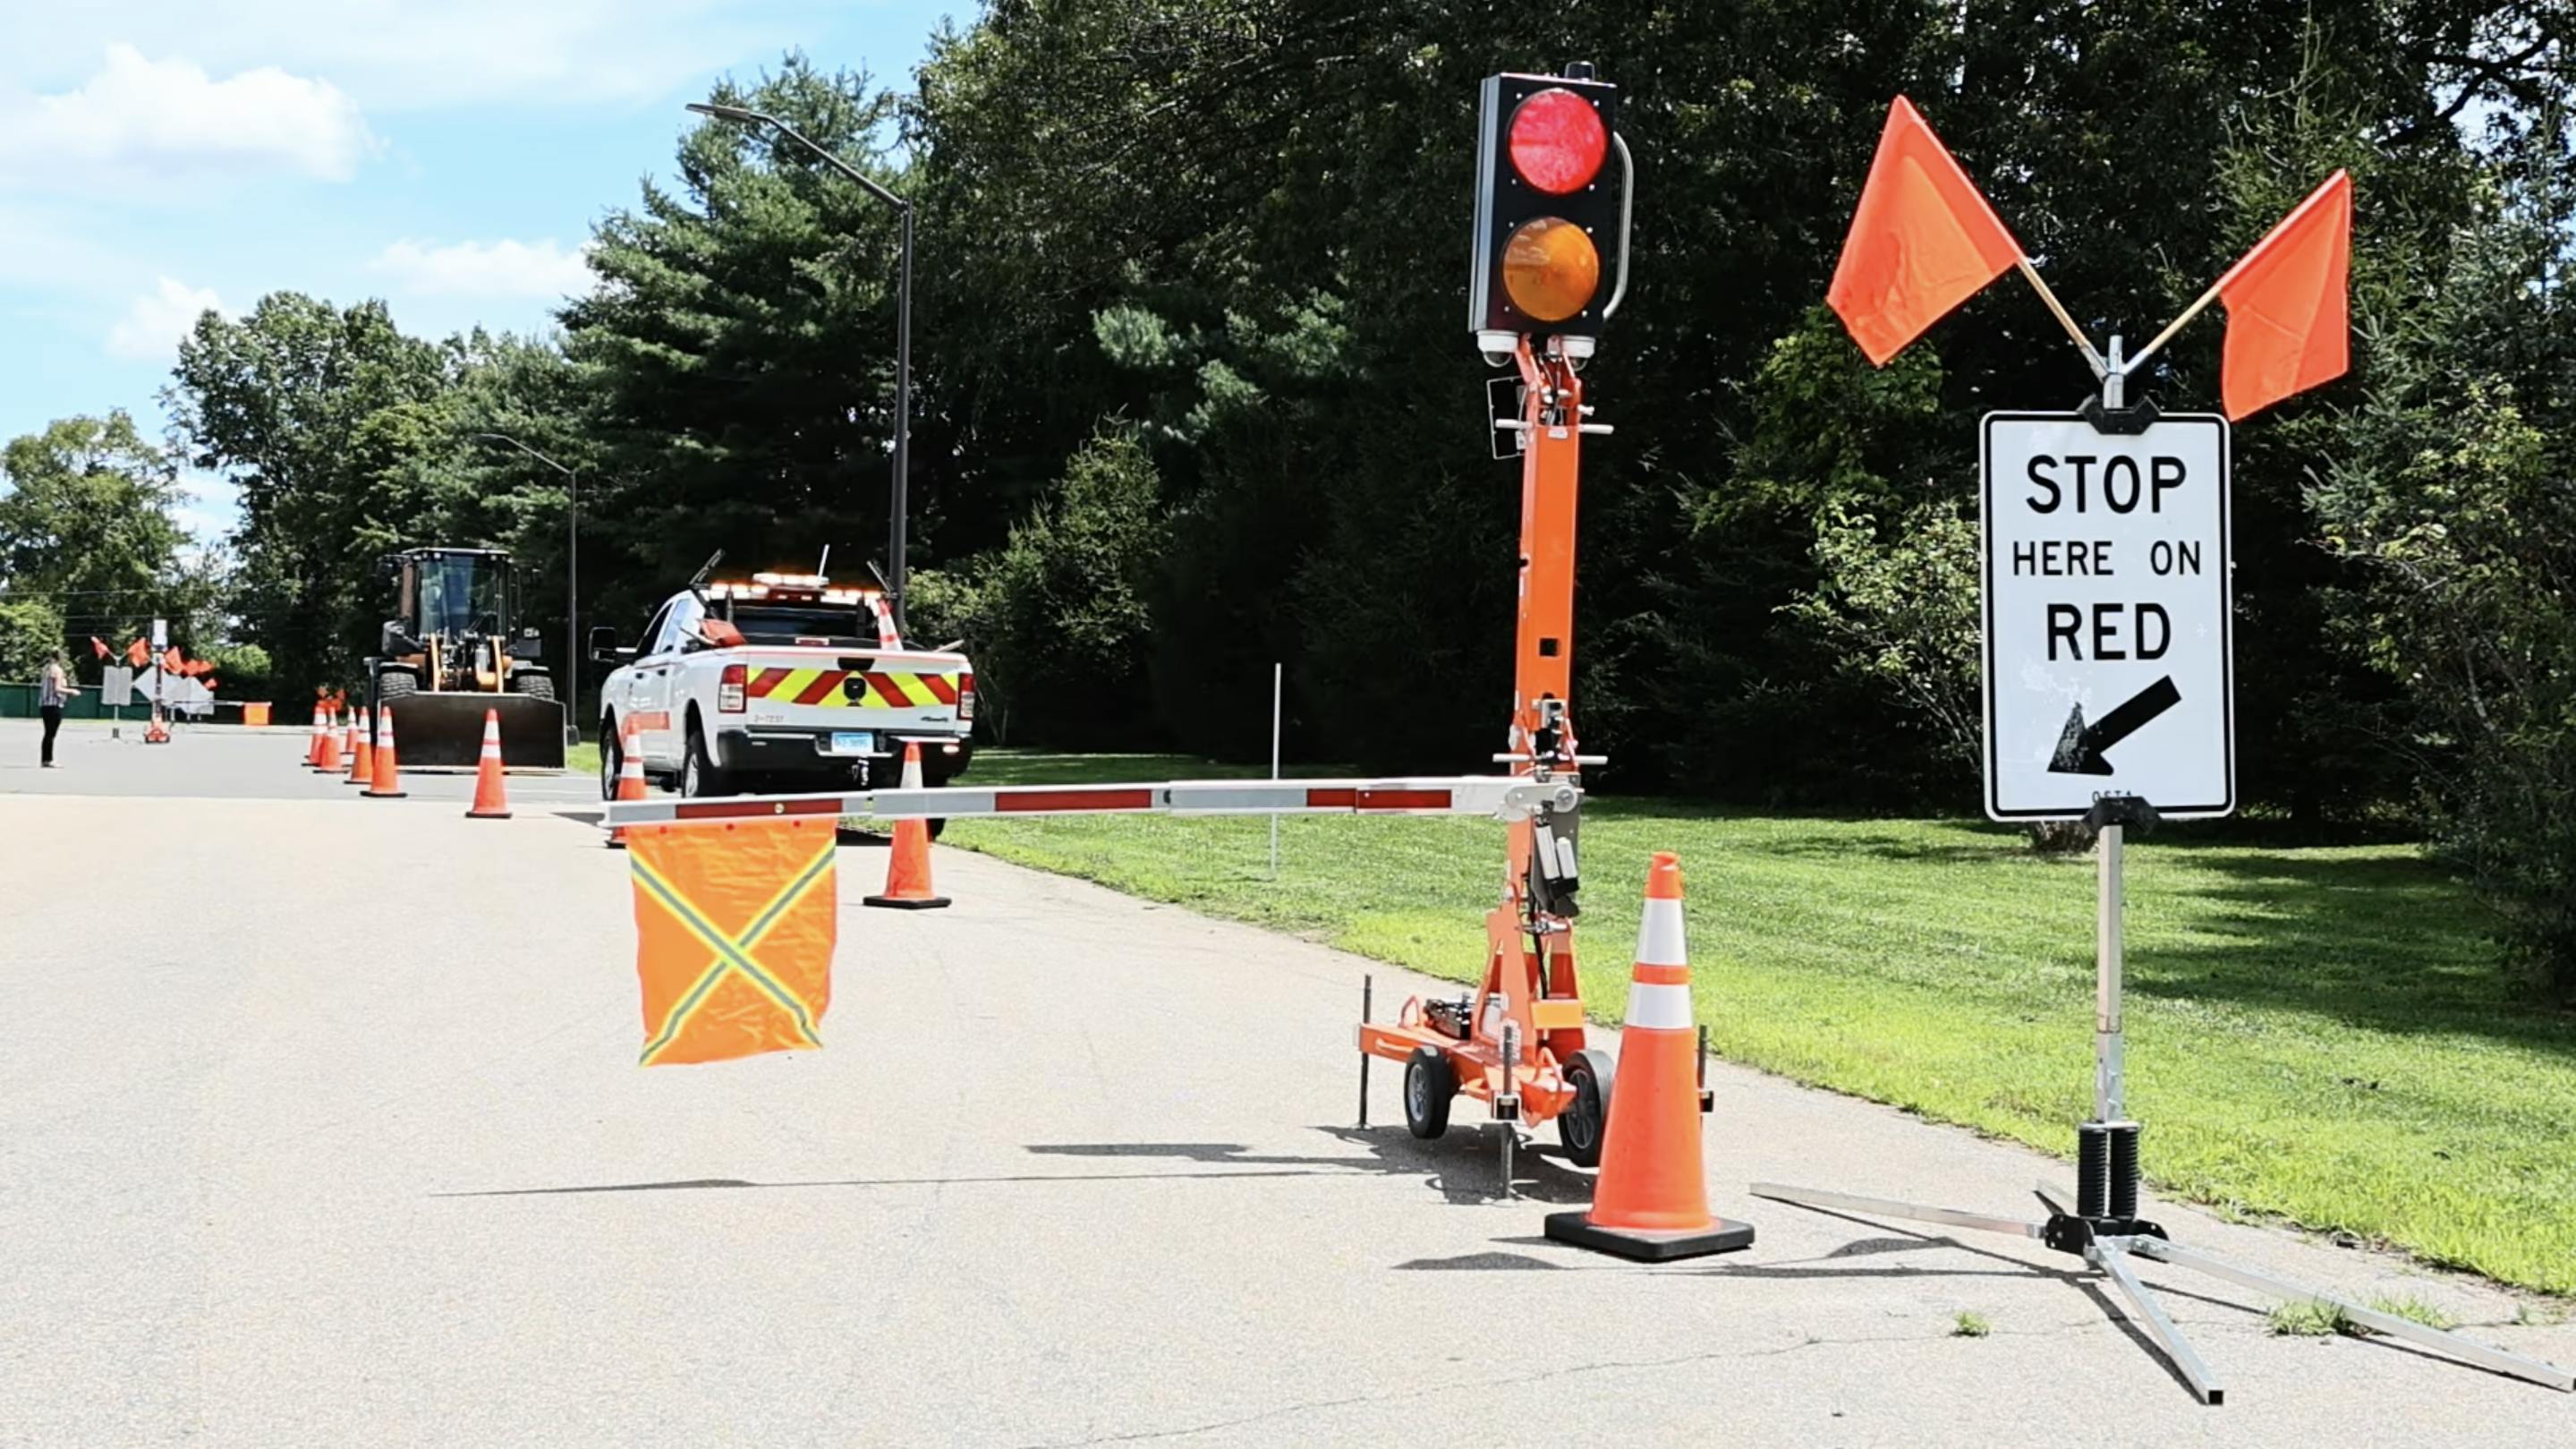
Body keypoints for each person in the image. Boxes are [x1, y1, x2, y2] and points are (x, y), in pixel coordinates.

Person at [38, 652, 74, 768]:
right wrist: (72, 691)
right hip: (54, 704)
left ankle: (45, 759)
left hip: (44, 705)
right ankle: (48, 760)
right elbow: (57, 688)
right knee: (51, 733)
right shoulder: (57, 670)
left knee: (48, 733)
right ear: (60, 658)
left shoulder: (46, 669)